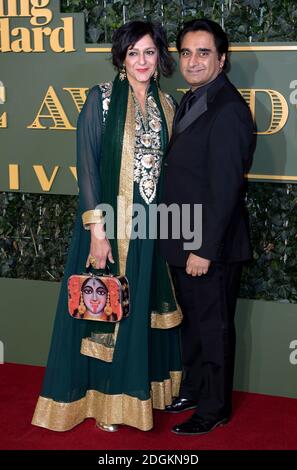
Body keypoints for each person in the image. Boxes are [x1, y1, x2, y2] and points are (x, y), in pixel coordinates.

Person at [32, 21, 182, 433]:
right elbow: (88, 171)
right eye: (133, 53)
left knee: (139, 312)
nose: (142, 61)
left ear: (160, 57)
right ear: (121, 56)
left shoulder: (167, 105)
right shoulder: (99, 101)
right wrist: (97, 232)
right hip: (108, 228)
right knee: (103, 313)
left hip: (149, 229)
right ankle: (104, 404)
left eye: (149, 52)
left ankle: (138, 395)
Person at [160, 18, 255, 435]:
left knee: (213, 327)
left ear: (222, 59)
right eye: (186, 52)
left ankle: (214, 408)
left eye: (203, 52)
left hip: (208, 246)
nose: (193, 61)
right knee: (195, 324)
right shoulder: (191, 99)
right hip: (183, 238)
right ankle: (196, 388)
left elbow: (225, 190)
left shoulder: (229, 109)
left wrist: (203, 249)